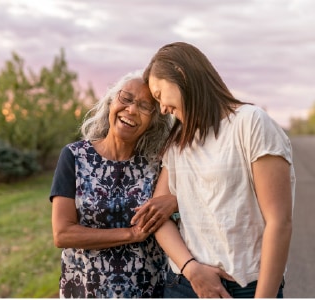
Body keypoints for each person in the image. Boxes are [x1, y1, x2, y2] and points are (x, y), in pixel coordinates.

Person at [133, 42, 296, 298]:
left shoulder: (250, 123)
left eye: (158, 94)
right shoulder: (178, 143)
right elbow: (156, 217)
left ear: (180, 72)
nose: (162, 108)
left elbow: (279, 222)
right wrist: (191, 269)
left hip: (247, 287)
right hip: (185, 285)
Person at [50, 70, 176, 298]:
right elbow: (63, 234)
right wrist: (130, 234)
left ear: (154, 121)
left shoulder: (159, 163)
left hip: (148, 290)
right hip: (86, 291)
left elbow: (191, 199)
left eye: (145, 106)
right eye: (126, 98)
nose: (132, 110)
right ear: (110, 102)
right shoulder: (74, 157)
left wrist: (174, 201)